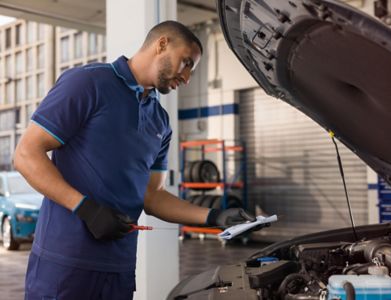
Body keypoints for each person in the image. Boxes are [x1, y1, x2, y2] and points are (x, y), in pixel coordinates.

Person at [14, 20, 255, 300]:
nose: (187, 78)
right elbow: (26, 153)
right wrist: (85, 208)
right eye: (186, 63)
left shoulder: (161, 122)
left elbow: (152, 196)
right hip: (65, 262)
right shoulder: (87, 82)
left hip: (120, 268)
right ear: (162, 44)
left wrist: (216, 216)